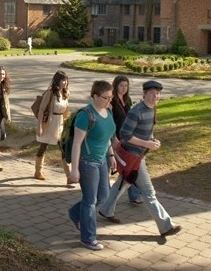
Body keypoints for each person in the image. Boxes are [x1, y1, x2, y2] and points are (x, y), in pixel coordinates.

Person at [99, 80, 182, 238]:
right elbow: (125, 135)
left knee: (123, 183)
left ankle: (105, 209)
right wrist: (146, 143)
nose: (154, 96)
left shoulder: (152, 109)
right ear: (144, 94)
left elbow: (146, 131)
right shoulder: (136, 111)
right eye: (151, 93)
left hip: (138, 155)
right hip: (132, 157)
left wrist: (152, 140)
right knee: (149, 192)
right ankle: (166, 226)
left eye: (157, 94)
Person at [67, 80, 117, 251]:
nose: (110, 101)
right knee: (90, 201)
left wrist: (111, 155)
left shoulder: (107, 111)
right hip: (87, 163)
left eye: (111, 97)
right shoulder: (85, 115)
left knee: (103, 196)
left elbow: (107, 137)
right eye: (106, 98)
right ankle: (88, 238)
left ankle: (75, 214)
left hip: (102, 160)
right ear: (95, 96)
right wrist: (74, 169)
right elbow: (77, 144)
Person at [110, 75, 143, 204]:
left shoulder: (127, 100)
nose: (124, 88)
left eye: (126, 86)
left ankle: (134, 194)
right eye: (121, 86)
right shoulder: (112, 101)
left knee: (128, 166)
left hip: (128, 138)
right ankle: (107, 195)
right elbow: (111, 121)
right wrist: (115, 138)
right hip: (116, 138)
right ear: (116, 86)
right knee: (122, 166)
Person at [34, 70, 71, 184]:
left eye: (65, 80)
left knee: (63, 148)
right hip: (49, 123)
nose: (64, 82)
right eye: (62, 80)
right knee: (43, 146)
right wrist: (39, 126)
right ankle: (38, 171)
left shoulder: (66, 93)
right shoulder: (51, 93)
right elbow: (41, 109)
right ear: (57, 80)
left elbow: (66, 110)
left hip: (60, 123)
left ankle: (69, 176)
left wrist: (67, 123)